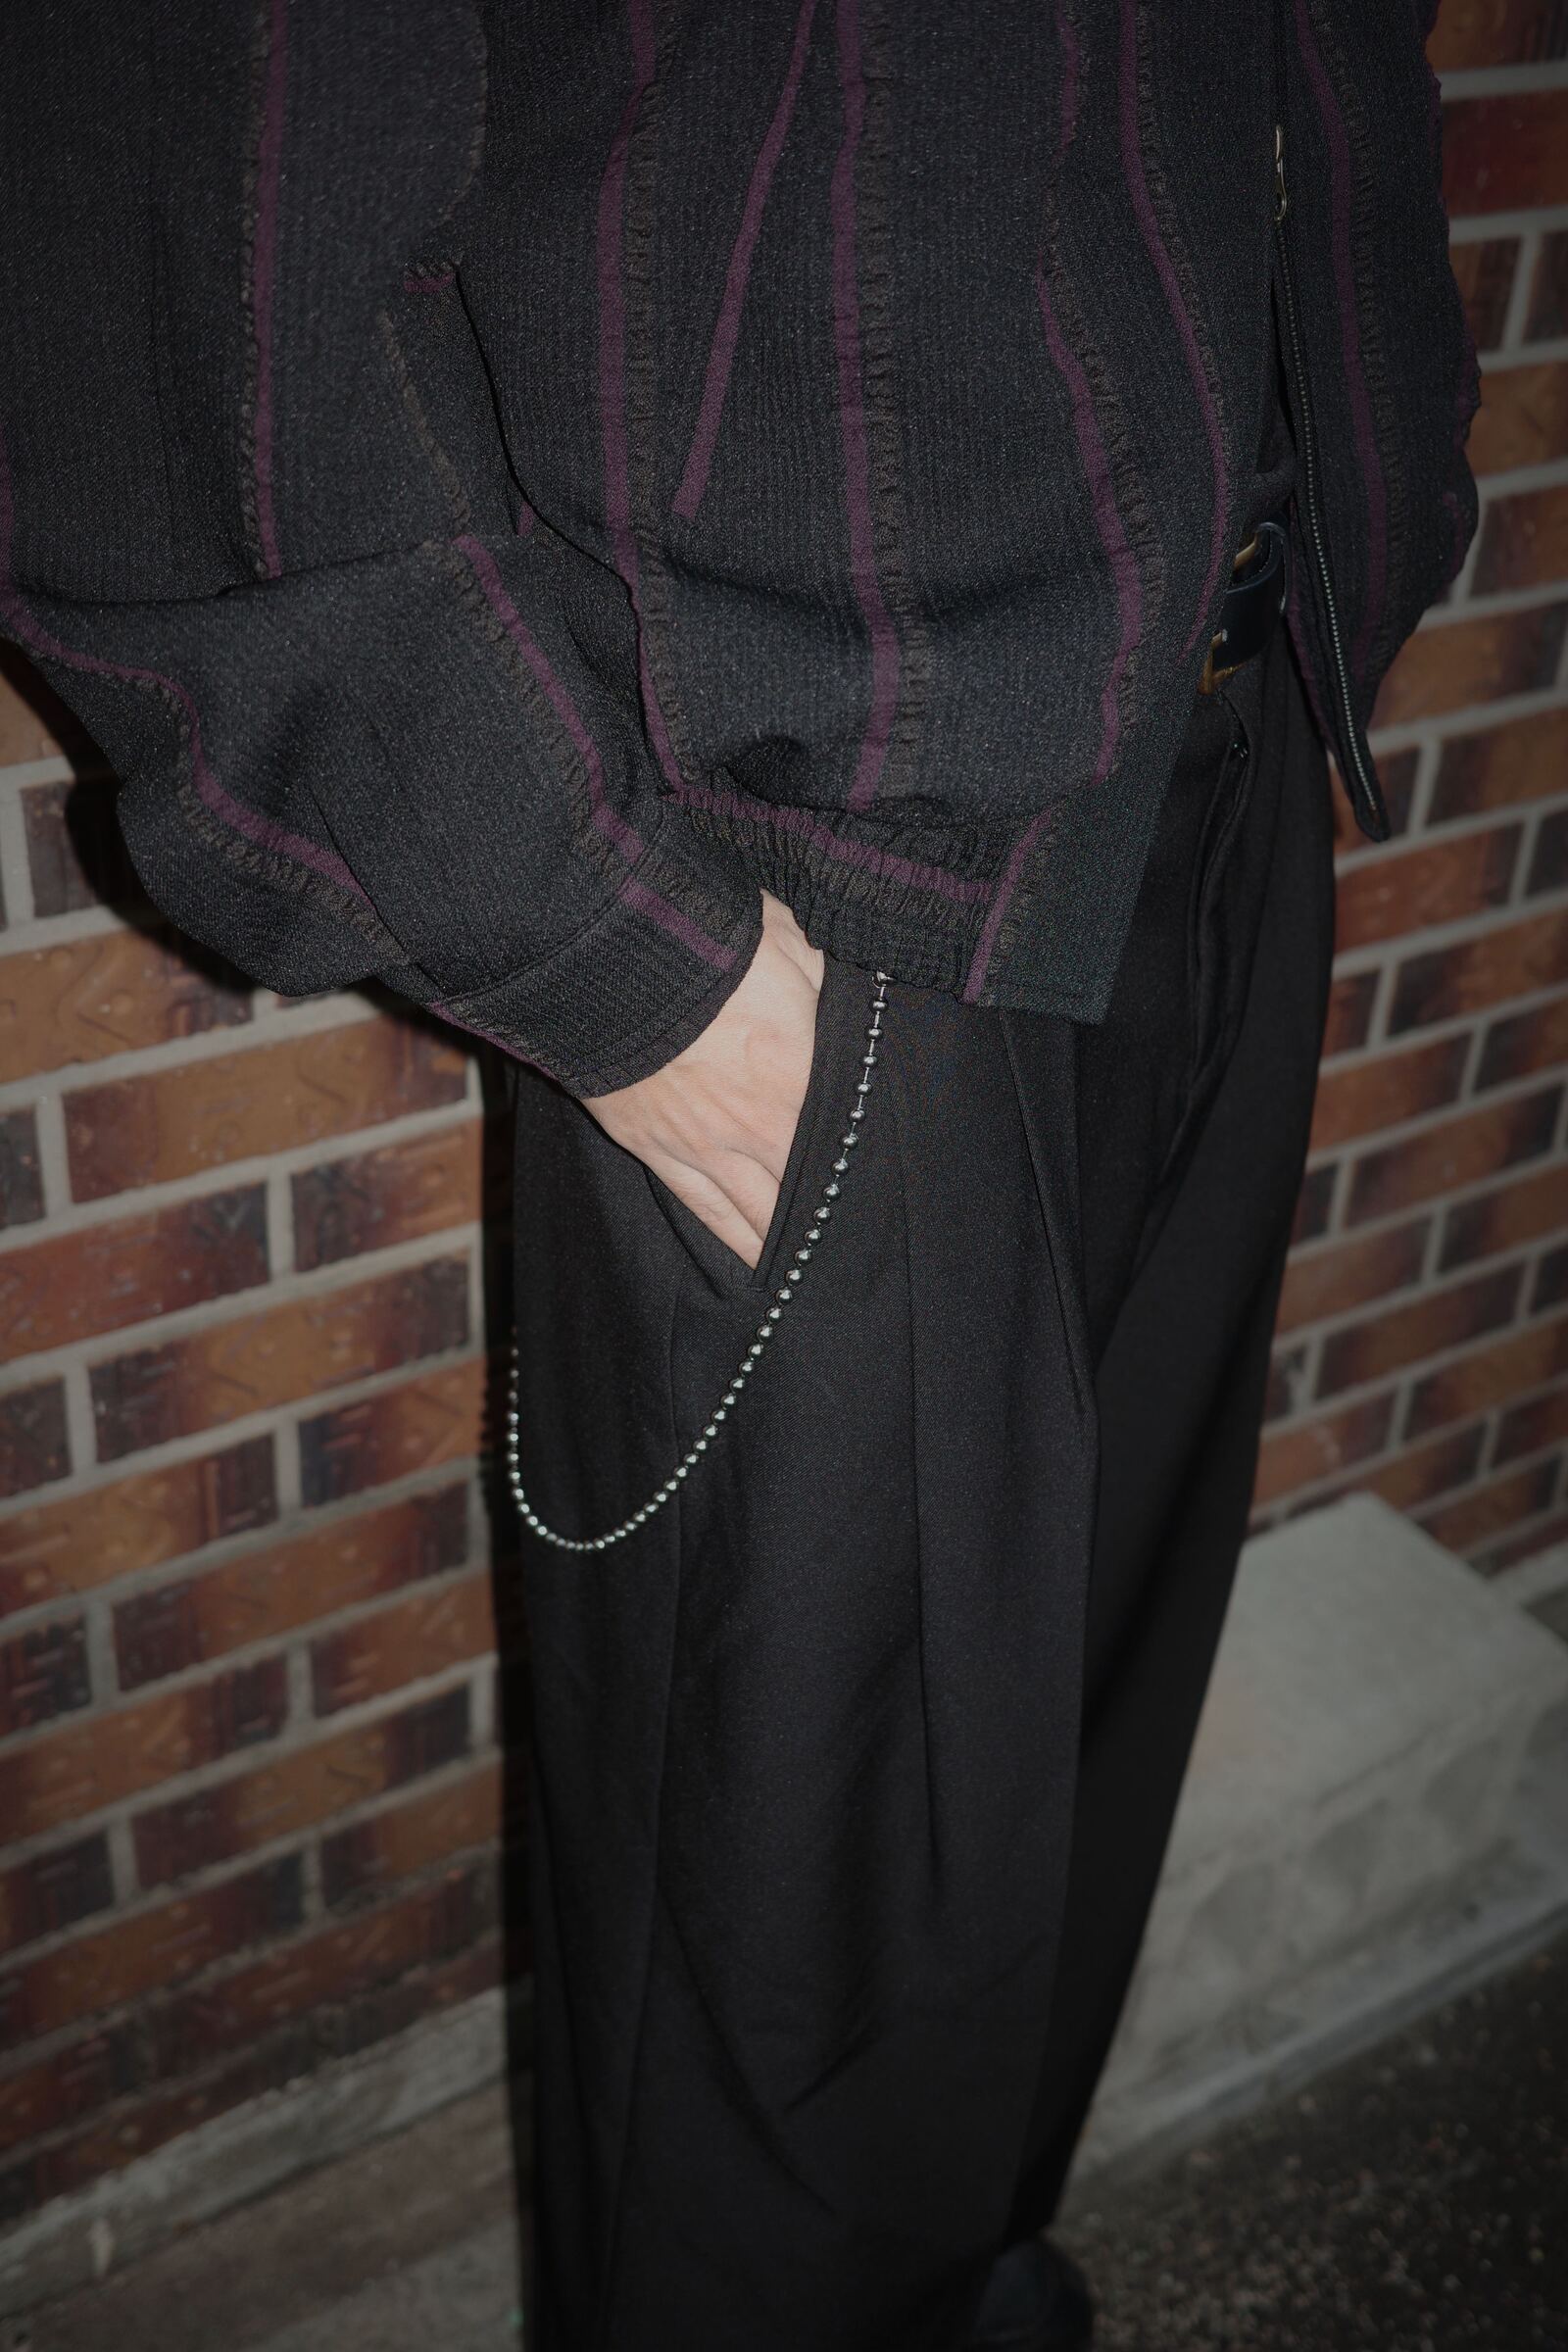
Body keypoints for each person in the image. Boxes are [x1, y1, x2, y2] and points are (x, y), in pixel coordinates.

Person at [0, 4, 1477, 2346]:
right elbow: (154, 264)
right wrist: (636, 980)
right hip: (827, 915)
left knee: (1050, 1824)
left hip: (1210, 751)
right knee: (799, 1990)